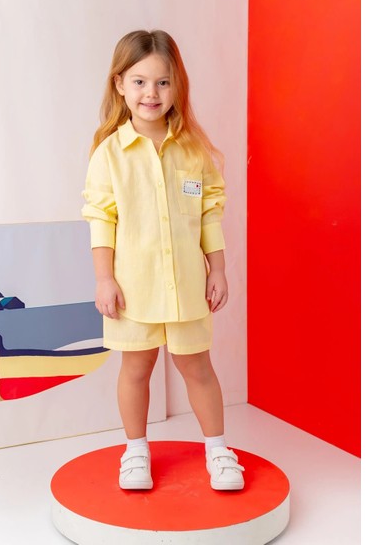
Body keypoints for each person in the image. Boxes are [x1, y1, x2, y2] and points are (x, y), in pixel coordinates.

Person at [81, 29, 244, 491]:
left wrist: (217, 268)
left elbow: (208, 211)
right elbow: (101, 218)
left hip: (188, 284)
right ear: (120, 84)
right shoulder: (109, 154)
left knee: (198, 367)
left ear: (177, 86)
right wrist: (104, 279)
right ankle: (135, 452)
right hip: (133, 288)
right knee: (136, 369)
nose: (151, 93)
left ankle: (218, 450)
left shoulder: (193, 150)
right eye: (139, 82)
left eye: (163, 82)